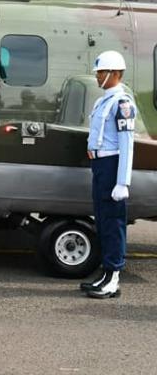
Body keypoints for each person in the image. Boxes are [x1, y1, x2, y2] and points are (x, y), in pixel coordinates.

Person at [79, 50, 136, 299]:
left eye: (102, 72)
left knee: (113, 223)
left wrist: (123, 181)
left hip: (113, 166)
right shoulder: (103, 101)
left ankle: (113, 277)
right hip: (100, 166)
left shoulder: (122, 103)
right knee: (102, 220)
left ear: (115, 74)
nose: (98, 76)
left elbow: (127, 145)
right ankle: (106, 272)